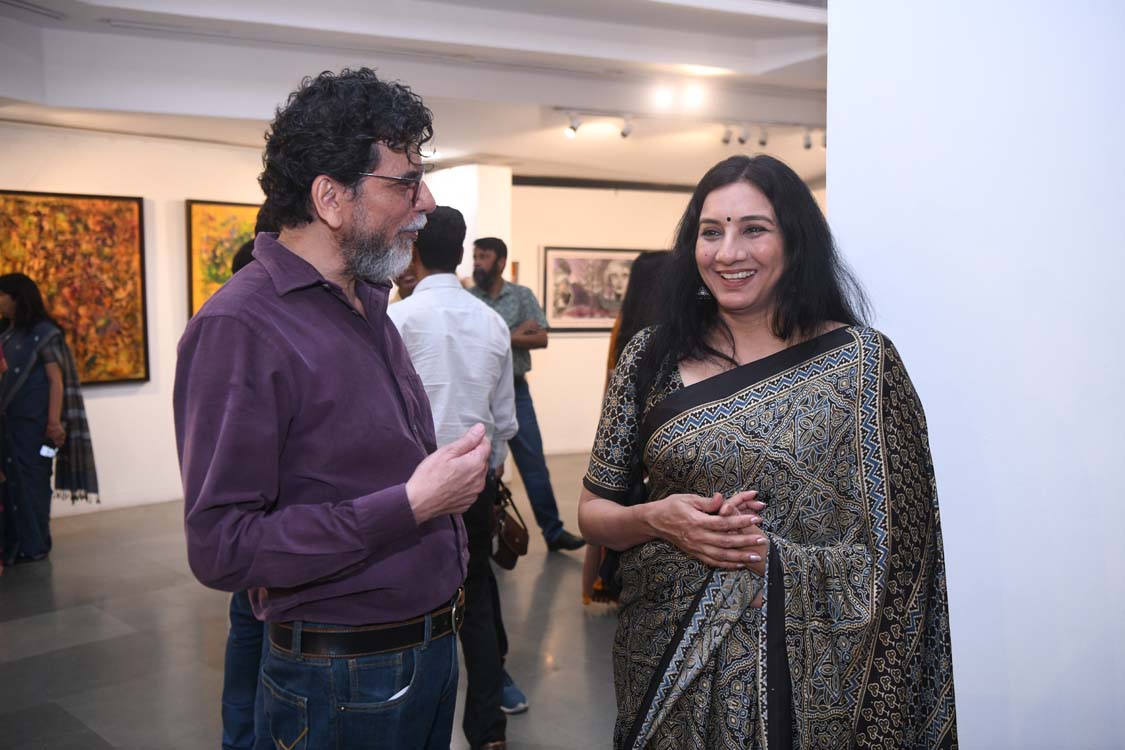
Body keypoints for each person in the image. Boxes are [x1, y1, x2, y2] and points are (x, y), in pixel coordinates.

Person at [577, 155, 957, 749]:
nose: (728, 252)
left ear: (795, 241)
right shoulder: (649, 357)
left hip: (819, 689)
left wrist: (773, 564)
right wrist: (657, 519)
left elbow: (904, 558)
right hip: (663, 657)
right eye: (711, 232)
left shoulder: (862, 365)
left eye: (754, 229)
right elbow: (592, 513)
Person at [174, 68, 491, 750]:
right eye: (405, 182)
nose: (426, 202)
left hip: (424, 654)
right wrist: (410, 504)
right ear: (330, 197)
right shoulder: (240, 326)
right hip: (343, 680)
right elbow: (222, 546)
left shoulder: (367, 304)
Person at [388, 205, 521, 750]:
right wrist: (492, 467)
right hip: (472, 481)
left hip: (412, 486)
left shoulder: (397, 321)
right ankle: (488, 731)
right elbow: (505, 419)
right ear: (462, 253)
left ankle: (416, 727)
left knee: (410, 606)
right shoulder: (491, 322)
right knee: (478, 599)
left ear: (413, 251)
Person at [470, 237, 585, 552]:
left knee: (533, 463)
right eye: (475, 256)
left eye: (484, 256)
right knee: (480, 466)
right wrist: (515, 333)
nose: (477, 262)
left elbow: (541, 337)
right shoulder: (468, 299)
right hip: (480, 392)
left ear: (500, 262)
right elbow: (472, 342)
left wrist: (497, 337)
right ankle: (483, 536)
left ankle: (553, 532)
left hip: (516, 390)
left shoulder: (521, 296)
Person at [583, 250, 670, 604]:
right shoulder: (665, 333)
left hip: (624, 439)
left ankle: (609, 580)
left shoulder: (626, 326)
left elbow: (611, 387)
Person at [0, 273, 94, 565]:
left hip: (39, 430)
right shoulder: (7, 333)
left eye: (1, 295)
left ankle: (35, 544)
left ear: (17, 298)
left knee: (36, 480)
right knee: (12, 484)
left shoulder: (44, 333)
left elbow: (56, 380)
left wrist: (54, 423)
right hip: (10, 428)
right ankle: (16, 544)